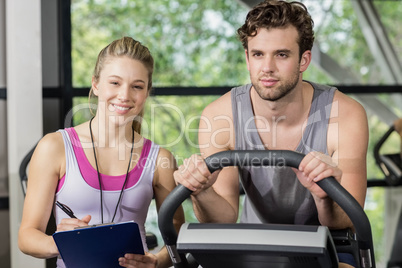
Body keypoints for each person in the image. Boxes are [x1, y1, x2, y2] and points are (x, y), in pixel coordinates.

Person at [174, 1, 368, 267]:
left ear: (304, 60)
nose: (267, 67)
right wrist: (202, 192)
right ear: (247, 58)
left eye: (281, 55)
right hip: (253, 243)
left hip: (329, 243)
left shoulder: (345, 114)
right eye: (258, 54)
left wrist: (323, 195)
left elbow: (347, 220)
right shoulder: (220, 116)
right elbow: (222, 219)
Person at [18, 36, 184, 268]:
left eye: (137, 86)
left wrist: (156, 261)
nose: (125, 95)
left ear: (146, 92)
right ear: (96, 84)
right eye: (114, 83)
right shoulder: (54, 147)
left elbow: (176, 240)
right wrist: (60, 243)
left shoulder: (160, 159)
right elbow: (27, 236)